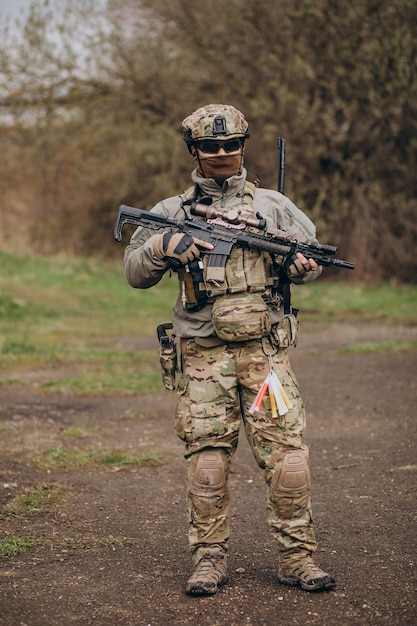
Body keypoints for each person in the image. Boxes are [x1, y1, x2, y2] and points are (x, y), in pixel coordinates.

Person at [123, 104, 335, 596]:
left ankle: (298, 559)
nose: (221, 153)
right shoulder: (171, 211)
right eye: (210, 146)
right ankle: (209, 560)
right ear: (193, 150)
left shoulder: (274, 206)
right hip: (202, 357)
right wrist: (161, 249)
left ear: (243, 145)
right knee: (208, 461)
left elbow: (311, 255)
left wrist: (305, 268)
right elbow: (134, 271)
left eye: (230, 144)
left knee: (287, 460)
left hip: (265, 359)